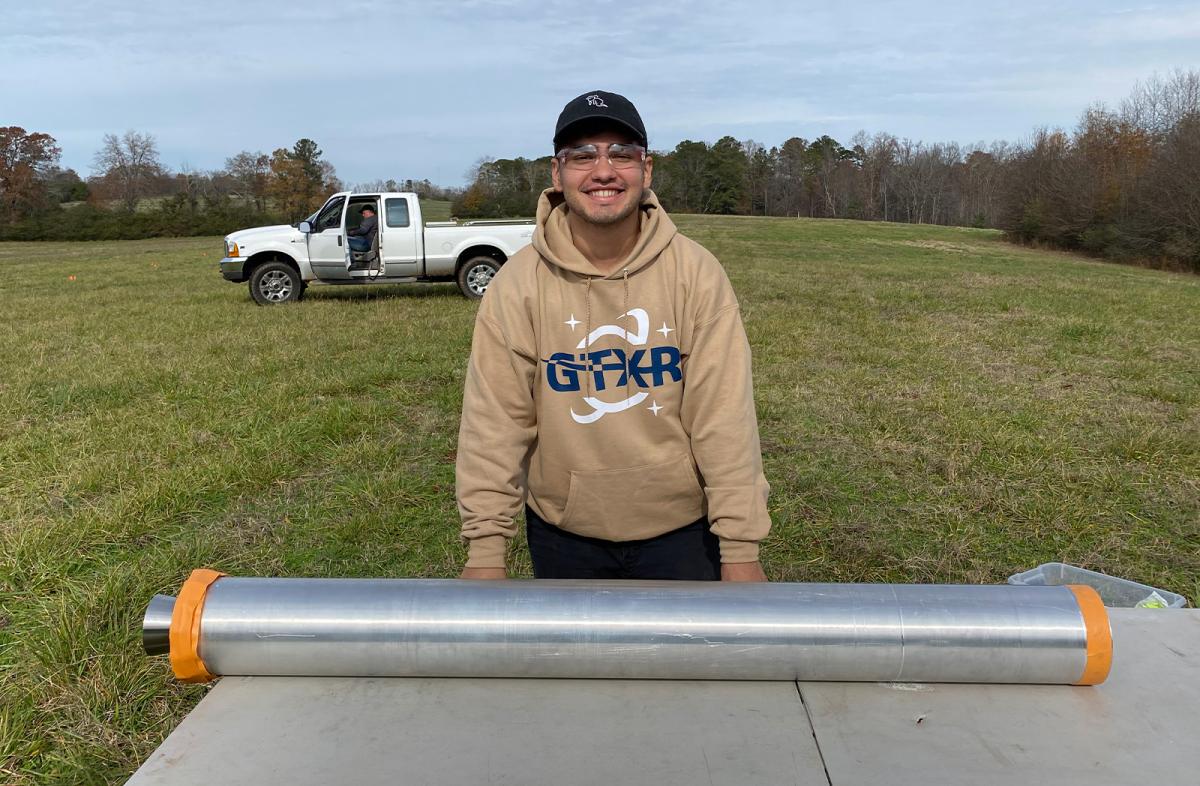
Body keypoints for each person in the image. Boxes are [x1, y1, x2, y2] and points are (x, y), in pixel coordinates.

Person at [456, 90, 770, 582]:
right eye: (582, 156)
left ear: (646, 170)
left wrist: (740, 547)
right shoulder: (518, 285)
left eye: (620, 154)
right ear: (557, 174)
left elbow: (724, 420)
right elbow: (494, 424)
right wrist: (485, 552)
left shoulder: (696, 273)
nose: (603, 171)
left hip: (683, 533)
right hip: (564, 533)